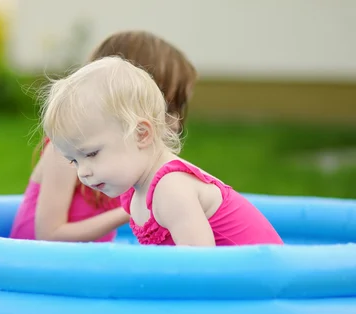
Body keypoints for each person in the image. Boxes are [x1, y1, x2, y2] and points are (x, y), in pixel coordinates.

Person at [39, 56, 284, 246]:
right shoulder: (135, 193)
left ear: (141, 134)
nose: (83, 172)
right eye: (73, 161)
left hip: (263, 287)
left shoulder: (170, 188)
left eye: (91, 154)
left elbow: (201, 267)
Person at [9, 30, 198, 243]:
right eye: (169, 106)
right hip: (35, 265)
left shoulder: (126, 157)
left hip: (85, 266)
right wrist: (129, 211)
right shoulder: (71, 150)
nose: (175, 120)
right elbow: (48, 234)